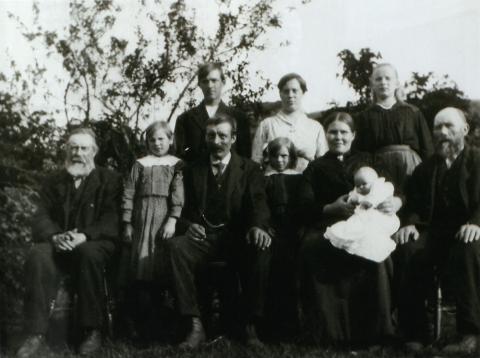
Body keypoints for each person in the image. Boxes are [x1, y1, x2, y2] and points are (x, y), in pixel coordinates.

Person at [162, 114, 272, 349]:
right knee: (176, 248)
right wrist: (187, 226)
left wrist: (257, 227)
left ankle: (250, 325)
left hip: (237, 239)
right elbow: (181, 208)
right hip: (204, 239)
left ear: (233, 138)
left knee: (261, 248)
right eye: (211, 135)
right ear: (205, 138)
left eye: (222, 135)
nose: (216, 141)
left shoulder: (249, 169)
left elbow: (258, 203)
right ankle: (195, 324)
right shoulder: (193, 170)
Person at [16, 128, 122, 358]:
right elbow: (40, 215)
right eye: (73, 147)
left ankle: (91, 330)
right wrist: (55, 236)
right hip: (59, 242)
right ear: (66, 150)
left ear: (93, 152)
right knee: (38, 255)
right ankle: (35, 333)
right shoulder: (54, 181)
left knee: (89, 255)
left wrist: (84, 235)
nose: (77, 153)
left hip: (94, 242)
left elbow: (112, 218)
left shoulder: (109, 180)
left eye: (83, 148)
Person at [298, 112, 401, 347]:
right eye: (333, 132)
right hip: (328, 225)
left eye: (344, 132)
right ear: (326, 134)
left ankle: (377, 331)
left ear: (353, 135)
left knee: (377, 252)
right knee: (314, 247)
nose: (338, 137)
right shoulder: (315, 167)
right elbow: (303, 205)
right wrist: (331, 207)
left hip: (368, 223)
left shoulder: (370, 161)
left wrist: (395, 202)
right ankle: (329, 332)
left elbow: (395, 190)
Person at [393, 107, 480, 354]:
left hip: (470, 233)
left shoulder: (477, 160)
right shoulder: (426, 168)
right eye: (437, 127)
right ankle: (415, 333)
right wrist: (409, 222)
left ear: (464, 130)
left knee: (468, 248)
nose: (441, 132)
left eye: (448, 126)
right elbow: (413, 204)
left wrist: (476, 222)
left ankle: (470, 333)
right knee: (409, 249)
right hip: (435, 234)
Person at [120, 121, 184, 336]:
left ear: (170, 140)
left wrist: (173, 219)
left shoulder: (176, 164)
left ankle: (164, 320)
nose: (157, 144)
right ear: (146, 142)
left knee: (161, 266)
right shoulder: (140, 164)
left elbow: (178, 194)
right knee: (141, 267)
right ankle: (140, 321)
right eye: (152, 140)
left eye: (161, 139)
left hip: (164, 219)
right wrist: (127, 222)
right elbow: (128, 193)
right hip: (141, 220)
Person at [353, 63, 433, 191]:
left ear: (396, 83)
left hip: (412, 169)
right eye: (378, 79)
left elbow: (427, 147)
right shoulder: (364, 117)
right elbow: (360, 151)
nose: (383, 82)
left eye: (388, 78)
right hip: (379, 172)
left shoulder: (412, 112)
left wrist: (428, 173)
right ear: (372, 84)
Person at [262, 137, 303, 339]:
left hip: (293, 229)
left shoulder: (298, 178)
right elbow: (261, 206)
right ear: (268, 157)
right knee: (272, 274)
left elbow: (304, 206)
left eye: (284, 156)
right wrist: (266, 226)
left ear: (292, 157)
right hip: (272, 230)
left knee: (292, 274)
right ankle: (271, 326)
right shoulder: (264, 178)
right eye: (275, 156)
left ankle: (292, 325)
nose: (279, 160)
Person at [174, 62, 251, 162]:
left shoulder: (239, 118)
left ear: (223, 82)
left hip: (230, 176)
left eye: (214, 80)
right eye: (205, 81)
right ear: (199, 85)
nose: (210, 85)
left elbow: (245, 158)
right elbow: (180, 157)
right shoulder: (185, 119)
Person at [251, 73, 327, 172]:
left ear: (303, 93)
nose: (290, 95)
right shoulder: (267, 124)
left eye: (294, 91)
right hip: (274, 183)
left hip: (307, 183)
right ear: (280, 93)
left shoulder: (315, 127)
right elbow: (256, 161)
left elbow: (324, 162)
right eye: (286, 91)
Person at [324, 166, 399, 263]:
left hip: (380, 216)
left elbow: (371, 201)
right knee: (352, 229)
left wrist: (360, 200)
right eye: (358, 185)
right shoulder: (358, 191)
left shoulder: (380, 188)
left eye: (364, 184)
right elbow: (352, 196)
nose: (361, 187)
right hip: (362, 217)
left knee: (373, 234)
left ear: (374, 182)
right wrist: (352, 199)